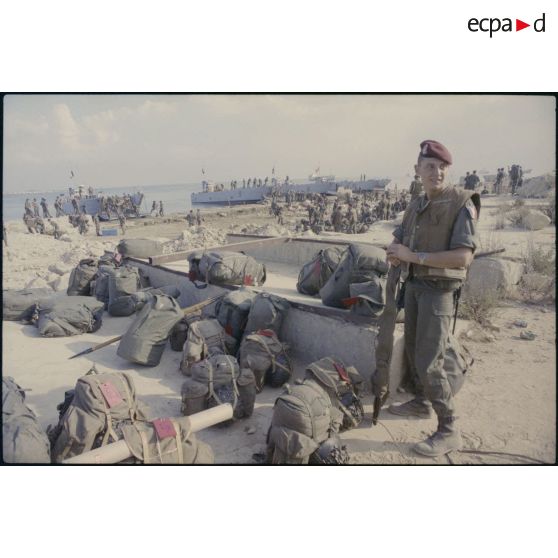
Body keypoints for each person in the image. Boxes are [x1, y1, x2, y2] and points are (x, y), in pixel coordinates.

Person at [385, 139, 480, 457]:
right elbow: (401, 235)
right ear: (418, 170)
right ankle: (421, 402)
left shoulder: (461, 202)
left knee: (430, 360)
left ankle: (449, 428)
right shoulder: (417, 203)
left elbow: (463, 258)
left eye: (442, 167)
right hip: (414, 287)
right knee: (413, 350)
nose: (436, 172)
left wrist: (414, 255)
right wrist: (395, 251)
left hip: (438, 291)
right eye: (430, 166)